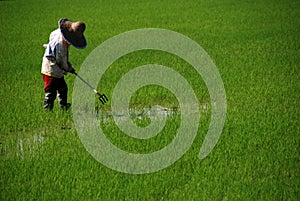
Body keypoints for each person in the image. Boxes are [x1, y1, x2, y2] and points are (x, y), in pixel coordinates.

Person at [41, 18, 87, 110]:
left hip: (57, 68)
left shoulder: (57, 32)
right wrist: (69, 68)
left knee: (63, 88)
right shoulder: (60, 45)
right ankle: (47, 109)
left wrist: (68, 66)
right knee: (50, 91)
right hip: (50, 68)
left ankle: (64, 106)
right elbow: (61, 61)